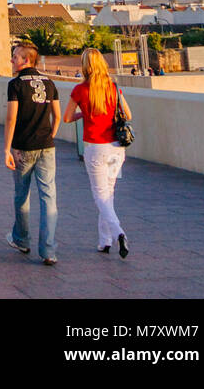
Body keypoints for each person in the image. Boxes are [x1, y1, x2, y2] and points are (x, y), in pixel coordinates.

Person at [63, 48, 132, 257]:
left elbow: (67, 118)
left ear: (85, 66)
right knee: (108, 193)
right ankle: (105, 241)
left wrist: (83, 114)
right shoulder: (113, 87)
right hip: (116, 149)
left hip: (95, 147)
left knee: (100, 195)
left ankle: (118, 231)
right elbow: (128, 114)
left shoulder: (80, 90)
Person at [4, 43, 60, 265]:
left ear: (26, 60)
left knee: (22, 195)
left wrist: (6, 148)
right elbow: (56, 115)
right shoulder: (49, 82)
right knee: (49, 197)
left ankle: (22, 239)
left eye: (15, 57)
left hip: (23, 146)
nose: (12, 60)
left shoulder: (15, 85)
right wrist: (51, 135)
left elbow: (11, 118)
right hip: (46, 145)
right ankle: (48, 250)